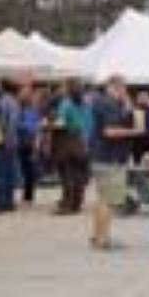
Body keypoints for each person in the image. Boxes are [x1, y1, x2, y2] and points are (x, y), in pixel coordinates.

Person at [89, 74, 138, 251]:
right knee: (108, 201)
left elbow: (122, 118)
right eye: (124, 88)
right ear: (114, 87)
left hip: (101, 156)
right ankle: (104, 239)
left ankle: (97, 235)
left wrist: (127, 105)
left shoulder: (101, 101)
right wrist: (133, 132)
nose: (125, 92)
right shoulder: (109, 104)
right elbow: (109, 131)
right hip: (110, 157)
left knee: (101, 199)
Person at [54, 80, 91, 215]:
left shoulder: (66, 104)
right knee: (79, 175)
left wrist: (48, 124)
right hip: (83, 140)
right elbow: (90, 123)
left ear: (68, 89)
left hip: (68, 139)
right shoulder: (86, 104)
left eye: (64, 86)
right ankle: (77, 204)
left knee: (67, 173)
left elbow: (60, 123)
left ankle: (67, 205)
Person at [0, 79, 21, 214]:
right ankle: (9, 202)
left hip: (0, 141)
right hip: (12, 142)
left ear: (2, 87)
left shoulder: (0, 102)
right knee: (9, 173)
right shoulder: (15, 103)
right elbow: (14, 123)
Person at [16, 84, 41, 205]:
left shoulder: (31, 109)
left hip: (28, 142)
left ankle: (28, 196)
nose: (22, 95)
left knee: (28, 170)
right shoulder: (20, 108)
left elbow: (31, 126)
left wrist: (18, 124)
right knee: (25, 169)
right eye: (21, 93)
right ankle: (27, 195)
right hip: (22, 141)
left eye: (24, 93)